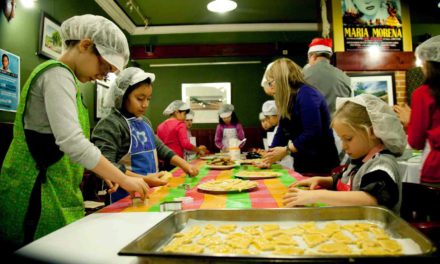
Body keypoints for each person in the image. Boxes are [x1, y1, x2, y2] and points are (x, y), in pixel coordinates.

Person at [0, 15, 148, 251]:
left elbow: (66, 144)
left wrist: (100, 170)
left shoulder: (69, 81)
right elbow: (73, 142)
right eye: (105, 67)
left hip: (57, 190)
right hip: (36, 192)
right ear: (86, 45)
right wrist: (124, 179)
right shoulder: (56, 75)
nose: (103, 76)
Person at [283, 94, 406, 214]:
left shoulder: (381, 164)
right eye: (341, 139)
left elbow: (372, 199)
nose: (343, 145)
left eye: (348, 138)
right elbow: (345, 180)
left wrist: (318, 195)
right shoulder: (360, 159)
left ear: (373, 131)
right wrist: (322, 180)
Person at [92, 68, 197, 203]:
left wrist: (184, 165)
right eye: (140, 98)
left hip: (150, 191)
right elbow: (106, 165)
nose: (145, 104)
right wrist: (146, 179)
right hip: (123, 197)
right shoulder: (111, 124)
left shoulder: (144, 121)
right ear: (122, 96)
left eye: (148, 99)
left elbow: (160, 148)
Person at [260, 58, 340, 175]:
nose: (271, 88)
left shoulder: (307, 94)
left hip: (321, 164)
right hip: (303, 163)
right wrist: (269, 157)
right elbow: (282, 132)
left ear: (281, 80)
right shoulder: (288, 101)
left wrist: (286, 150)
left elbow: (312, 132)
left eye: (271, 83)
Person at [396, 35, 440, 184]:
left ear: (428, 64)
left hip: (436, 169)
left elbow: (416, 142)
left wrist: (410, 122)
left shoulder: (423, 93)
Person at [303, 38, 352, 115]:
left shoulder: (303, 75)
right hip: (338, 125)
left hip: (311, 124)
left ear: (313, 56)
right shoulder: (344, 77)